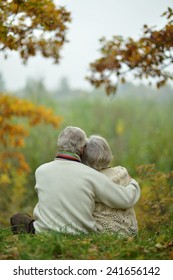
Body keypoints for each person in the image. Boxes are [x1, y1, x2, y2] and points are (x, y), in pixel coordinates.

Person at [10, 126, 140, 235]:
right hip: (81, 234)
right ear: (82, 149)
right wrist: (133, 183)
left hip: (42, 232)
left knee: (18, 218)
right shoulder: (91, 175)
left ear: (59, 144)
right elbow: (126, 199)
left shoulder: (40, 171)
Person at [81, 135, 139, 236]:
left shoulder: (90, 181)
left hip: (106, 234)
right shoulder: (122, 172)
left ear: (85, 158)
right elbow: (131, 194)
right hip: (131, 231)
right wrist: (134, 183)